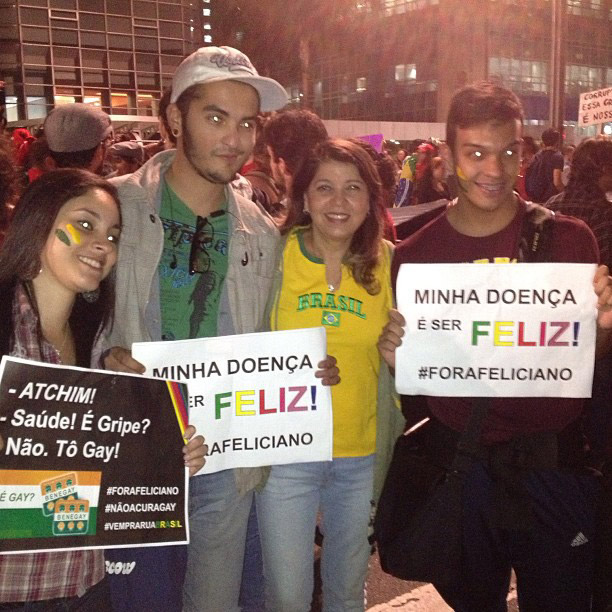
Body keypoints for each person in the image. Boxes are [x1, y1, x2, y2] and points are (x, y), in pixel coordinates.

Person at [99, 45, 338, 611]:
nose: (234, 139)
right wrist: (105, 358)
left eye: (247, 123)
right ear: (175, 119)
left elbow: (274, 333)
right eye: (215, 118)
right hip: (136, 453)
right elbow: (70, 314)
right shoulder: (116, 210)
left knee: (216, 600)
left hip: (226, 456)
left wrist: (308, 371)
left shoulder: (261, 231)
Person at [377, 81, 612, 611]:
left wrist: (602, 328)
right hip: (464, 472)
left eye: (508, 152)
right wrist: (398, 358)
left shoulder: (570, 241)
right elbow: (422, 378)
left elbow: (580, 361)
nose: (494, 169)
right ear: (446, 158)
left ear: (523, 150)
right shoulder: (416, 258)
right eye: (476, 153)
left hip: (554, 469)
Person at [0, 168, 206, 609]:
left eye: (113, 236)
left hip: (87, 583)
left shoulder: (101, 351)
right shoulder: (7, 335)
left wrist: (165, 459)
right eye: (85, 223)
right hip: (14, 589)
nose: (102, 244)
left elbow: (99, 478)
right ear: (39, 220)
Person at [257, 139, 399, 611]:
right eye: (324, 188)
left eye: (353, 188)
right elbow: (242, 347)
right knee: (288, 595)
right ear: (303, 198)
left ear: (370, 198)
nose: (339, 203)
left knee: (347, 592)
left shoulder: (392, 263)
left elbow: (421, 363)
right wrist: (289, 370)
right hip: (285, 455)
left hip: (361, 456)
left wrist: (402, 357)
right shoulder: (271, 258)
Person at [44, 104, 113, 174]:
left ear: (50, 163)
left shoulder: (37, 184)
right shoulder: (110, 183)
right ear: (100, 151)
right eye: (108, 142)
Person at [525, 127, 564, 203]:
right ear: (557, 141)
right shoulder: (557, 156)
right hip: (549, 199)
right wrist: (565, 192)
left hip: (535, 196)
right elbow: (557, 182)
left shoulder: (537, 156)